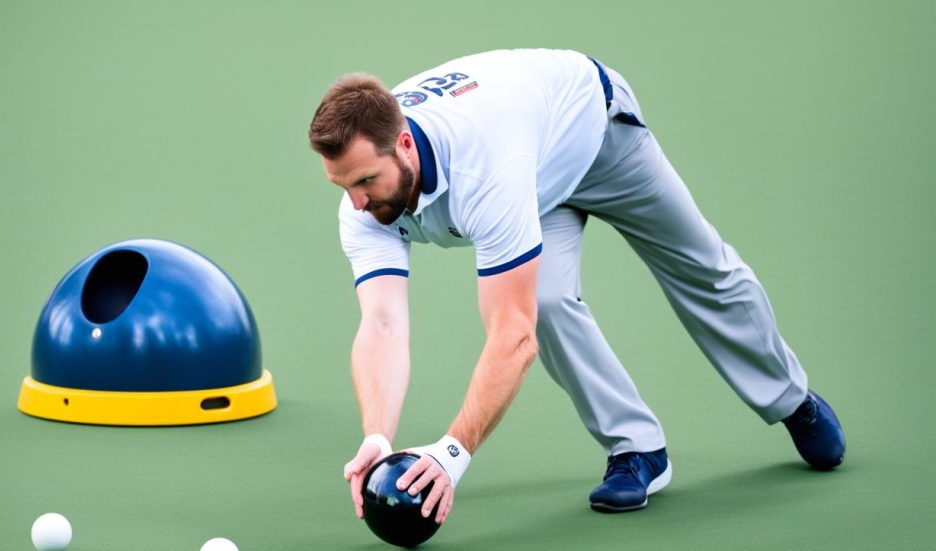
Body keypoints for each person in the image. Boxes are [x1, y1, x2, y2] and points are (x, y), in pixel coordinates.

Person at [307, 48, 845, 523]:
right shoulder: (360, 204)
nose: (356, 202)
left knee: (703, 267)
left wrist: (452, 453)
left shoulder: (484, 170)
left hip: (596, 138)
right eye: (342, 185)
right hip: (532, 178)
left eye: (364, 182)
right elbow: (381, 323)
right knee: (545, 301)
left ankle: (791, 399)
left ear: (403, 145)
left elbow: (511, 337)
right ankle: (638, 449)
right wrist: (377, 436)